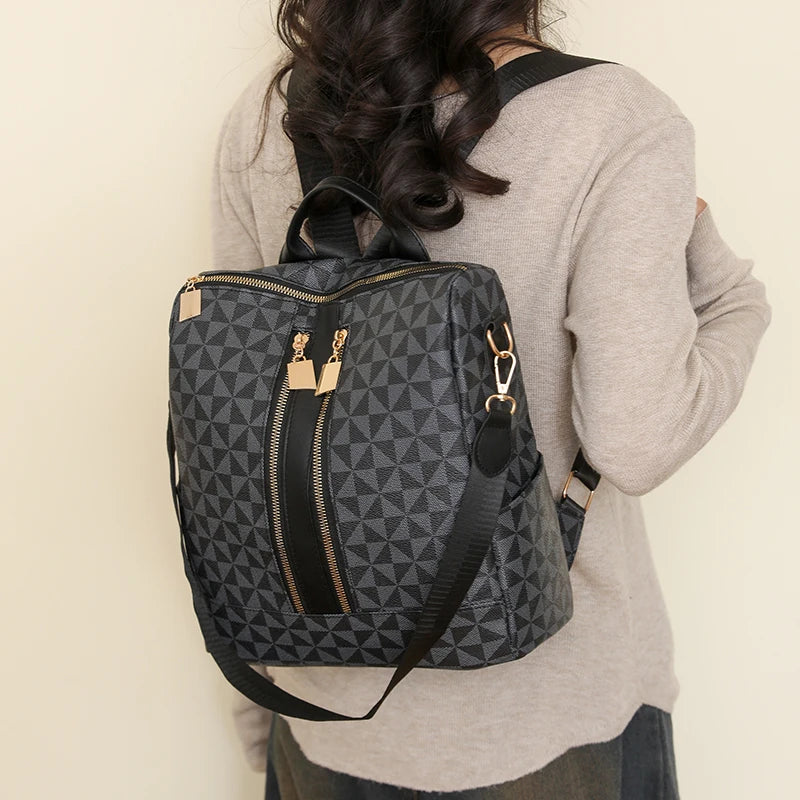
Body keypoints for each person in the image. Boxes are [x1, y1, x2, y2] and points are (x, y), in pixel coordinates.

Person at [210, 4, 772, 798]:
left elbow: (238, 436)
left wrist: (261, 711)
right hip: (551, 720)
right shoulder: (613, 119)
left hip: (321, 711)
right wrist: (733, 299)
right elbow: (637, 441)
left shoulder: (272, 114)